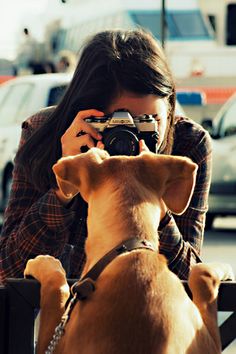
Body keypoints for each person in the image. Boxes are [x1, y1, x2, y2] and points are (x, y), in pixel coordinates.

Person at [0, 29, 212, 284]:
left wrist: (154, 202)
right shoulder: (45, 134)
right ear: (83, 114)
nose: (129, 137)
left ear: (169, 108)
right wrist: (65, 185)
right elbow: (8, 270)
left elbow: (188, 281)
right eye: (112, 123)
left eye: (148, 121)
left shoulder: (187, 145)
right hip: (57, 315)